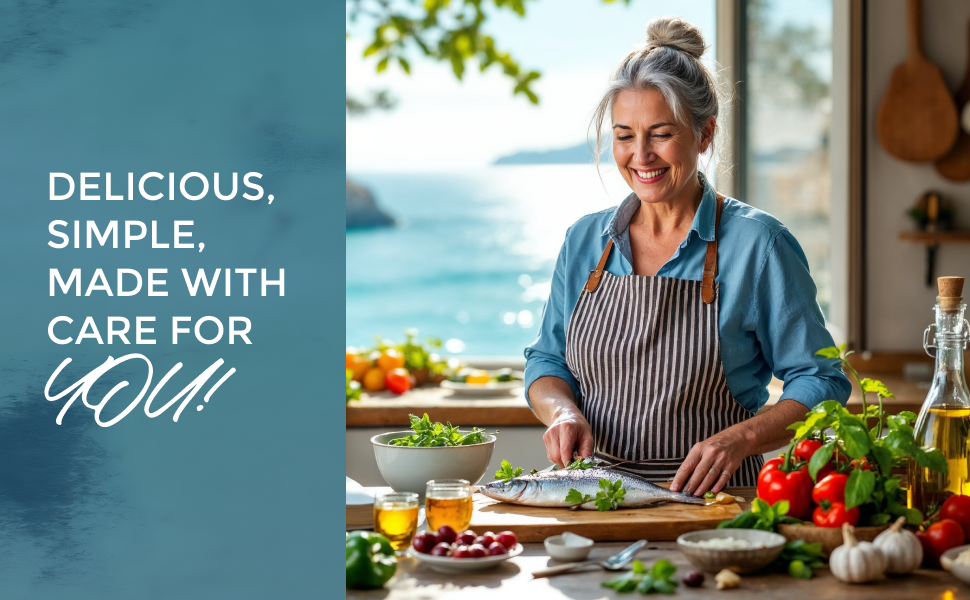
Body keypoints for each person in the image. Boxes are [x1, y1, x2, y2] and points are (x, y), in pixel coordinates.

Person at [523, 16, 851, 496]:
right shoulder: (585, 241)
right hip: (593, 501)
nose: (640, 156)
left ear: (705, 134)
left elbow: (822, 381)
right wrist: (562, 411)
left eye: (660, 133)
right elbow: (547, 361)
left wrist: (740, 440)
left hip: (715, 508)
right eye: (624, 135)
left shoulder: (759, 245)